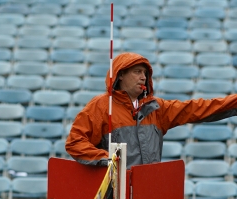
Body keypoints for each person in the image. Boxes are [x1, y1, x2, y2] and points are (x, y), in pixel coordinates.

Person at [66, 52, 237, 169]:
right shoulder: (101, 106)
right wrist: (107, 160)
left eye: (145, 73)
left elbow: (197, 109)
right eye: (137, 72)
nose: (143, 77)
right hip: (113, 193)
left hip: (148, 192)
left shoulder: (157, 108)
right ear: (120, 75)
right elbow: (75, 142)